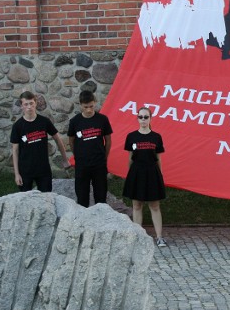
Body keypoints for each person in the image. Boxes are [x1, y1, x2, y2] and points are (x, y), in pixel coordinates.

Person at [123, 107, 168, 247]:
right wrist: (130, 175)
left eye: (146, 117)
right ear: (137, 118)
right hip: (136, 172)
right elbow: (130, 158)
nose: (143, 119)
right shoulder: (131, 136)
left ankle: (159, 237)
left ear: (150, 118)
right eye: (140, 117)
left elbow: (158, 158)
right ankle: (138, 236)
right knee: (136, 205)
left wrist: (160, 175)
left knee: (154, 205)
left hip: (152, 172)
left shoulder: (156, 137)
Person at [10, 91, 69, 192]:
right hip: (25, 170)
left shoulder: (44, 121)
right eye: (26, 104)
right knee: (26, 200)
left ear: (36, 103)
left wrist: (65, 159)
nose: (29, 107)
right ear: (21, 106)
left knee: (46, 198)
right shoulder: (17, 126)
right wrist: (17, 174)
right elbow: (15, 150)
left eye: (31, 103)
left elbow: (58, 139)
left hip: (43, 169)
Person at [68, 90, 113, 207]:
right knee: (82, 196)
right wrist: (77, 155)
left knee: (101, 196)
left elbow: (108, 140)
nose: (89, 110)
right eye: (85, 107)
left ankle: (100, 221)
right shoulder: (75, 121)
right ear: (80, 105)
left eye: (91, 106)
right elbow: (71, 140)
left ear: (95, 102)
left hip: (99, 163)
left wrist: (104, 156)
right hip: (82, 164)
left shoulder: (102, 119)